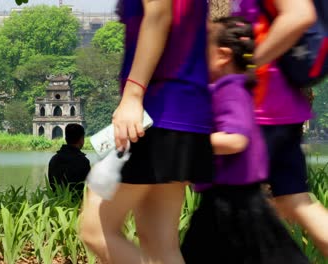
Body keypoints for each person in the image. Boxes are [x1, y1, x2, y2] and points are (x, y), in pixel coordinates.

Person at [79, 0, 214, 263]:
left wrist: (132, 94)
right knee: (160, 244)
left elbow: (159, 16)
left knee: (96, 230)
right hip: (186, 112)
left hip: (154, 113)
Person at [181, 17, 309, 264]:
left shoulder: (232, 90)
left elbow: (235, 139)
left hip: (235, 205)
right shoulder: (228, 90)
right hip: (226, 202)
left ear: (222, 55)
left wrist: (189, 142)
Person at [232, 0, 328, 257]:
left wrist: (246, 69)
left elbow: (299, 15)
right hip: (277, 109)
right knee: (295, 202)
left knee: (226, 207)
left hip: (263, 109)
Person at [48, 123, 90, 196]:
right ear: (81, 139)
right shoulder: (83, 161)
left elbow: (52, 184)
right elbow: (88, 187)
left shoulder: (54, 159)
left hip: (57, 202)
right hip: (76, 204)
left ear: (66, 138)